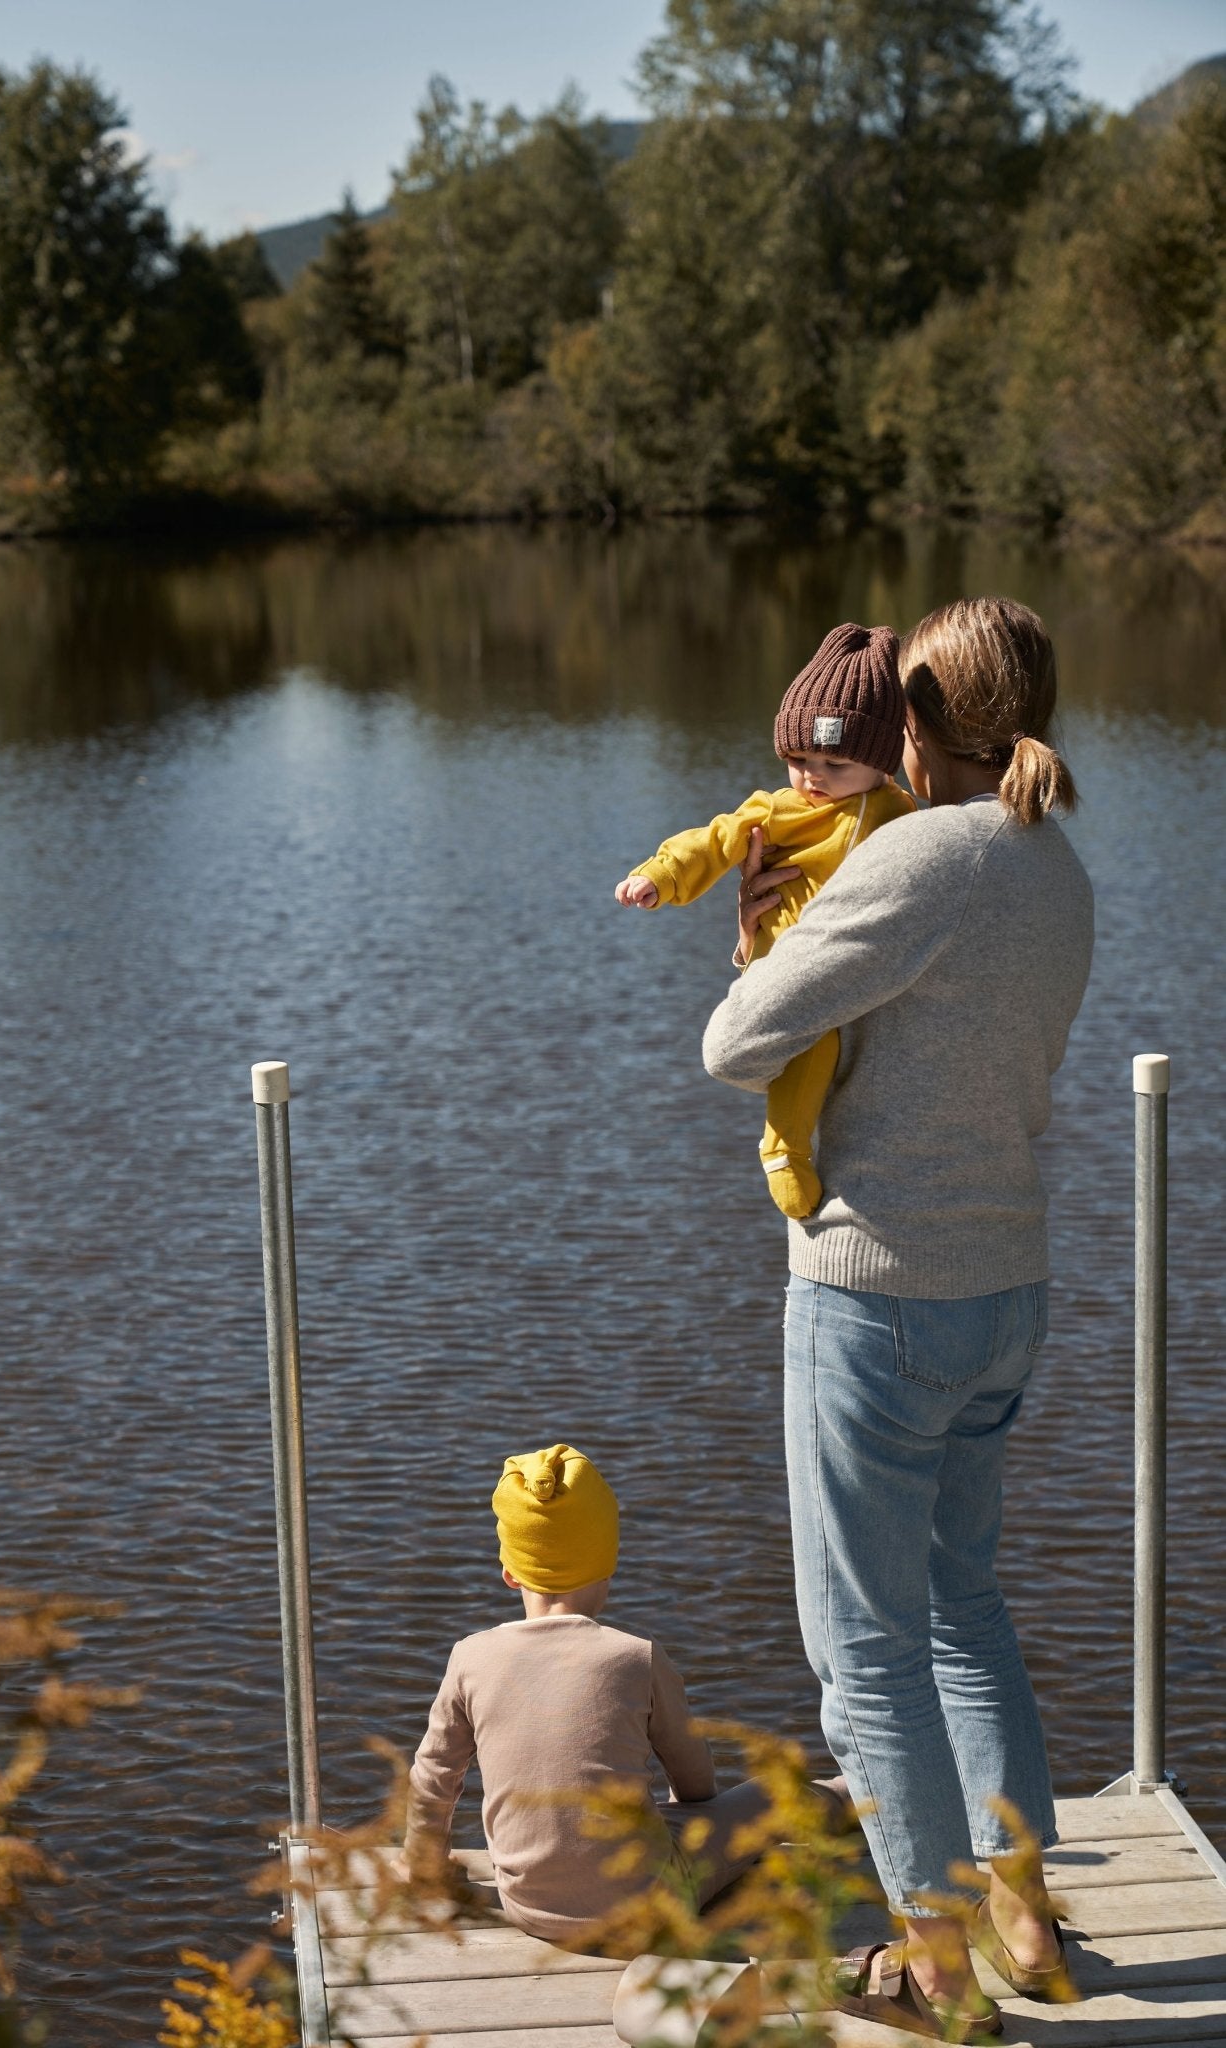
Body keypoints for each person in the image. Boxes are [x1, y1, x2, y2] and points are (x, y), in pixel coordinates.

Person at [702, 597, 1094, 2042]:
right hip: (1007, 1289)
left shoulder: (925, 858)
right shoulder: (1057, 861)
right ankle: (1025, 1919)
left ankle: (929, 1967)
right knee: (965, 1609)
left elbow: (736, 1047)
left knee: (859, 1644)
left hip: (877, 1294)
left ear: (916, 724)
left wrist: (762, 942)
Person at [401, 1442, 784, 1946]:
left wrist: (427, 1868)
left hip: (528, 1909)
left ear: (510, 1572)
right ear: (608, 1565)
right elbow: (694, 1784)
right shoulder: (635, 1656)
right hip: (647, 1907)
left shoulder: (471, 1656)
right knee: (785, 1793)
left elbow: (433, 1777)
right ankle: (863, 1796)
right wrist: (690, 1816)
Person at [615, 623, 914, 1218]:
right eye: (799, 759)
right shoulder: (779, 811)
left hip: (851, 961)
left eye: (836, 762)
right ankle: (784, 1147)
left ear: (882, 766)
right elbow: (714, 839)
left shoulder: (899, 812)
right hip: (790, 957)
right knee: (812, 1043)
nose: (813, 777)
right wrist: (661, 876)